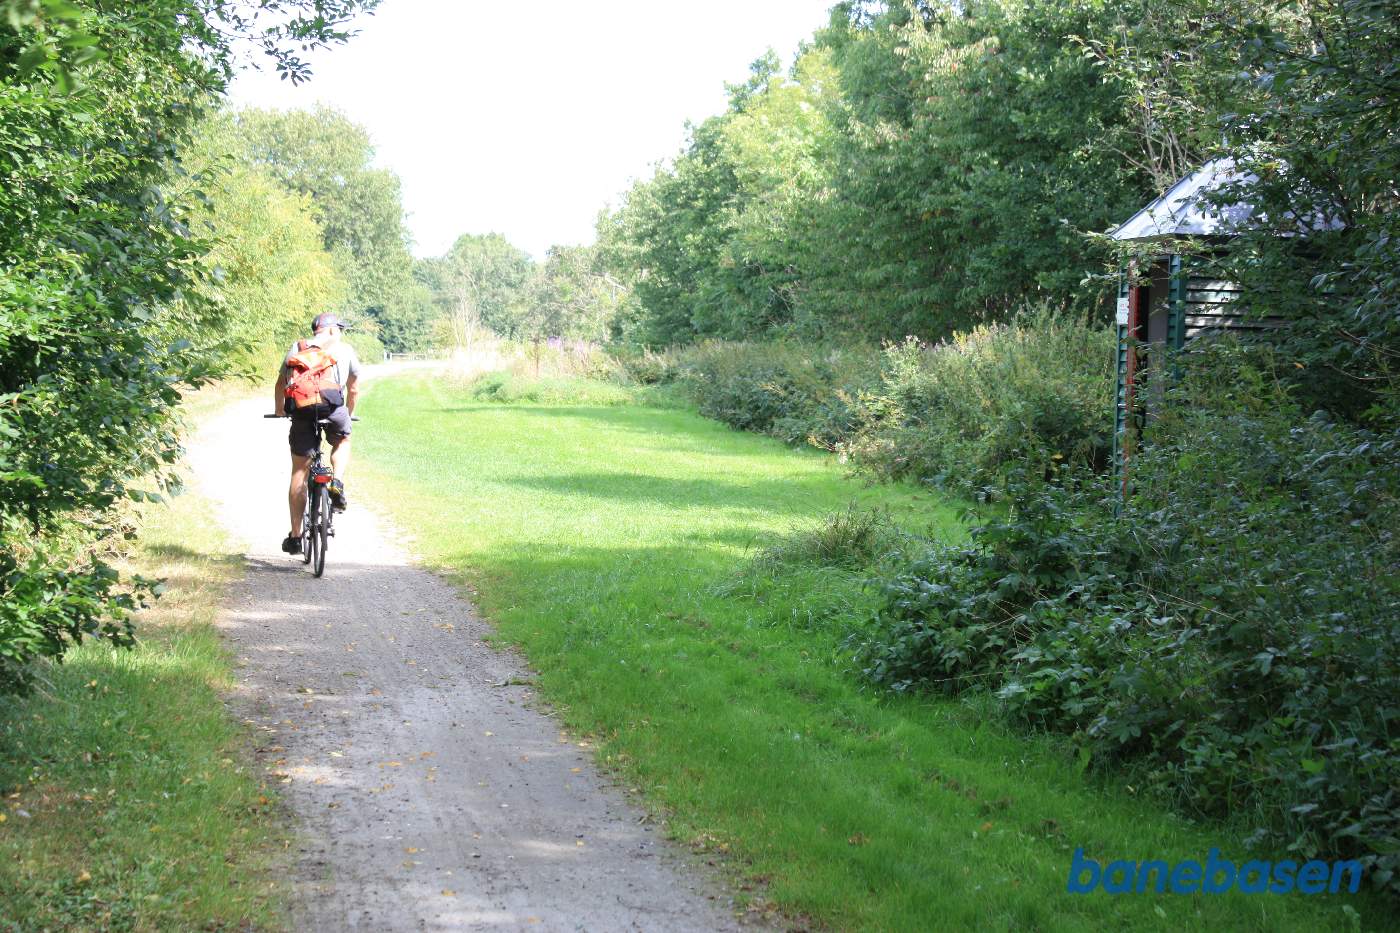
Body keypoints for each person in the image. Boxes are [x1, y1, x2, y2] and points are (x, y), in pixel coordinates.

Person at [273, 313, 361, 554]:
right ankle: (337, 481)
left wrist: (279, 410)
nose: (341, 332)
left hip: (302, 411)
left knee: (299, 472)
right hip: (333, 408)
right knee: (343, 440)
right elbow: (353, 388)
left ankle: (296, 536)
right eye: (340, 328)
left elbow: (281, 384)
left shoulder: (297, 347)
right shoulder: (345, 349)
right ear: (331, 330)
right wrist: (347, 414)